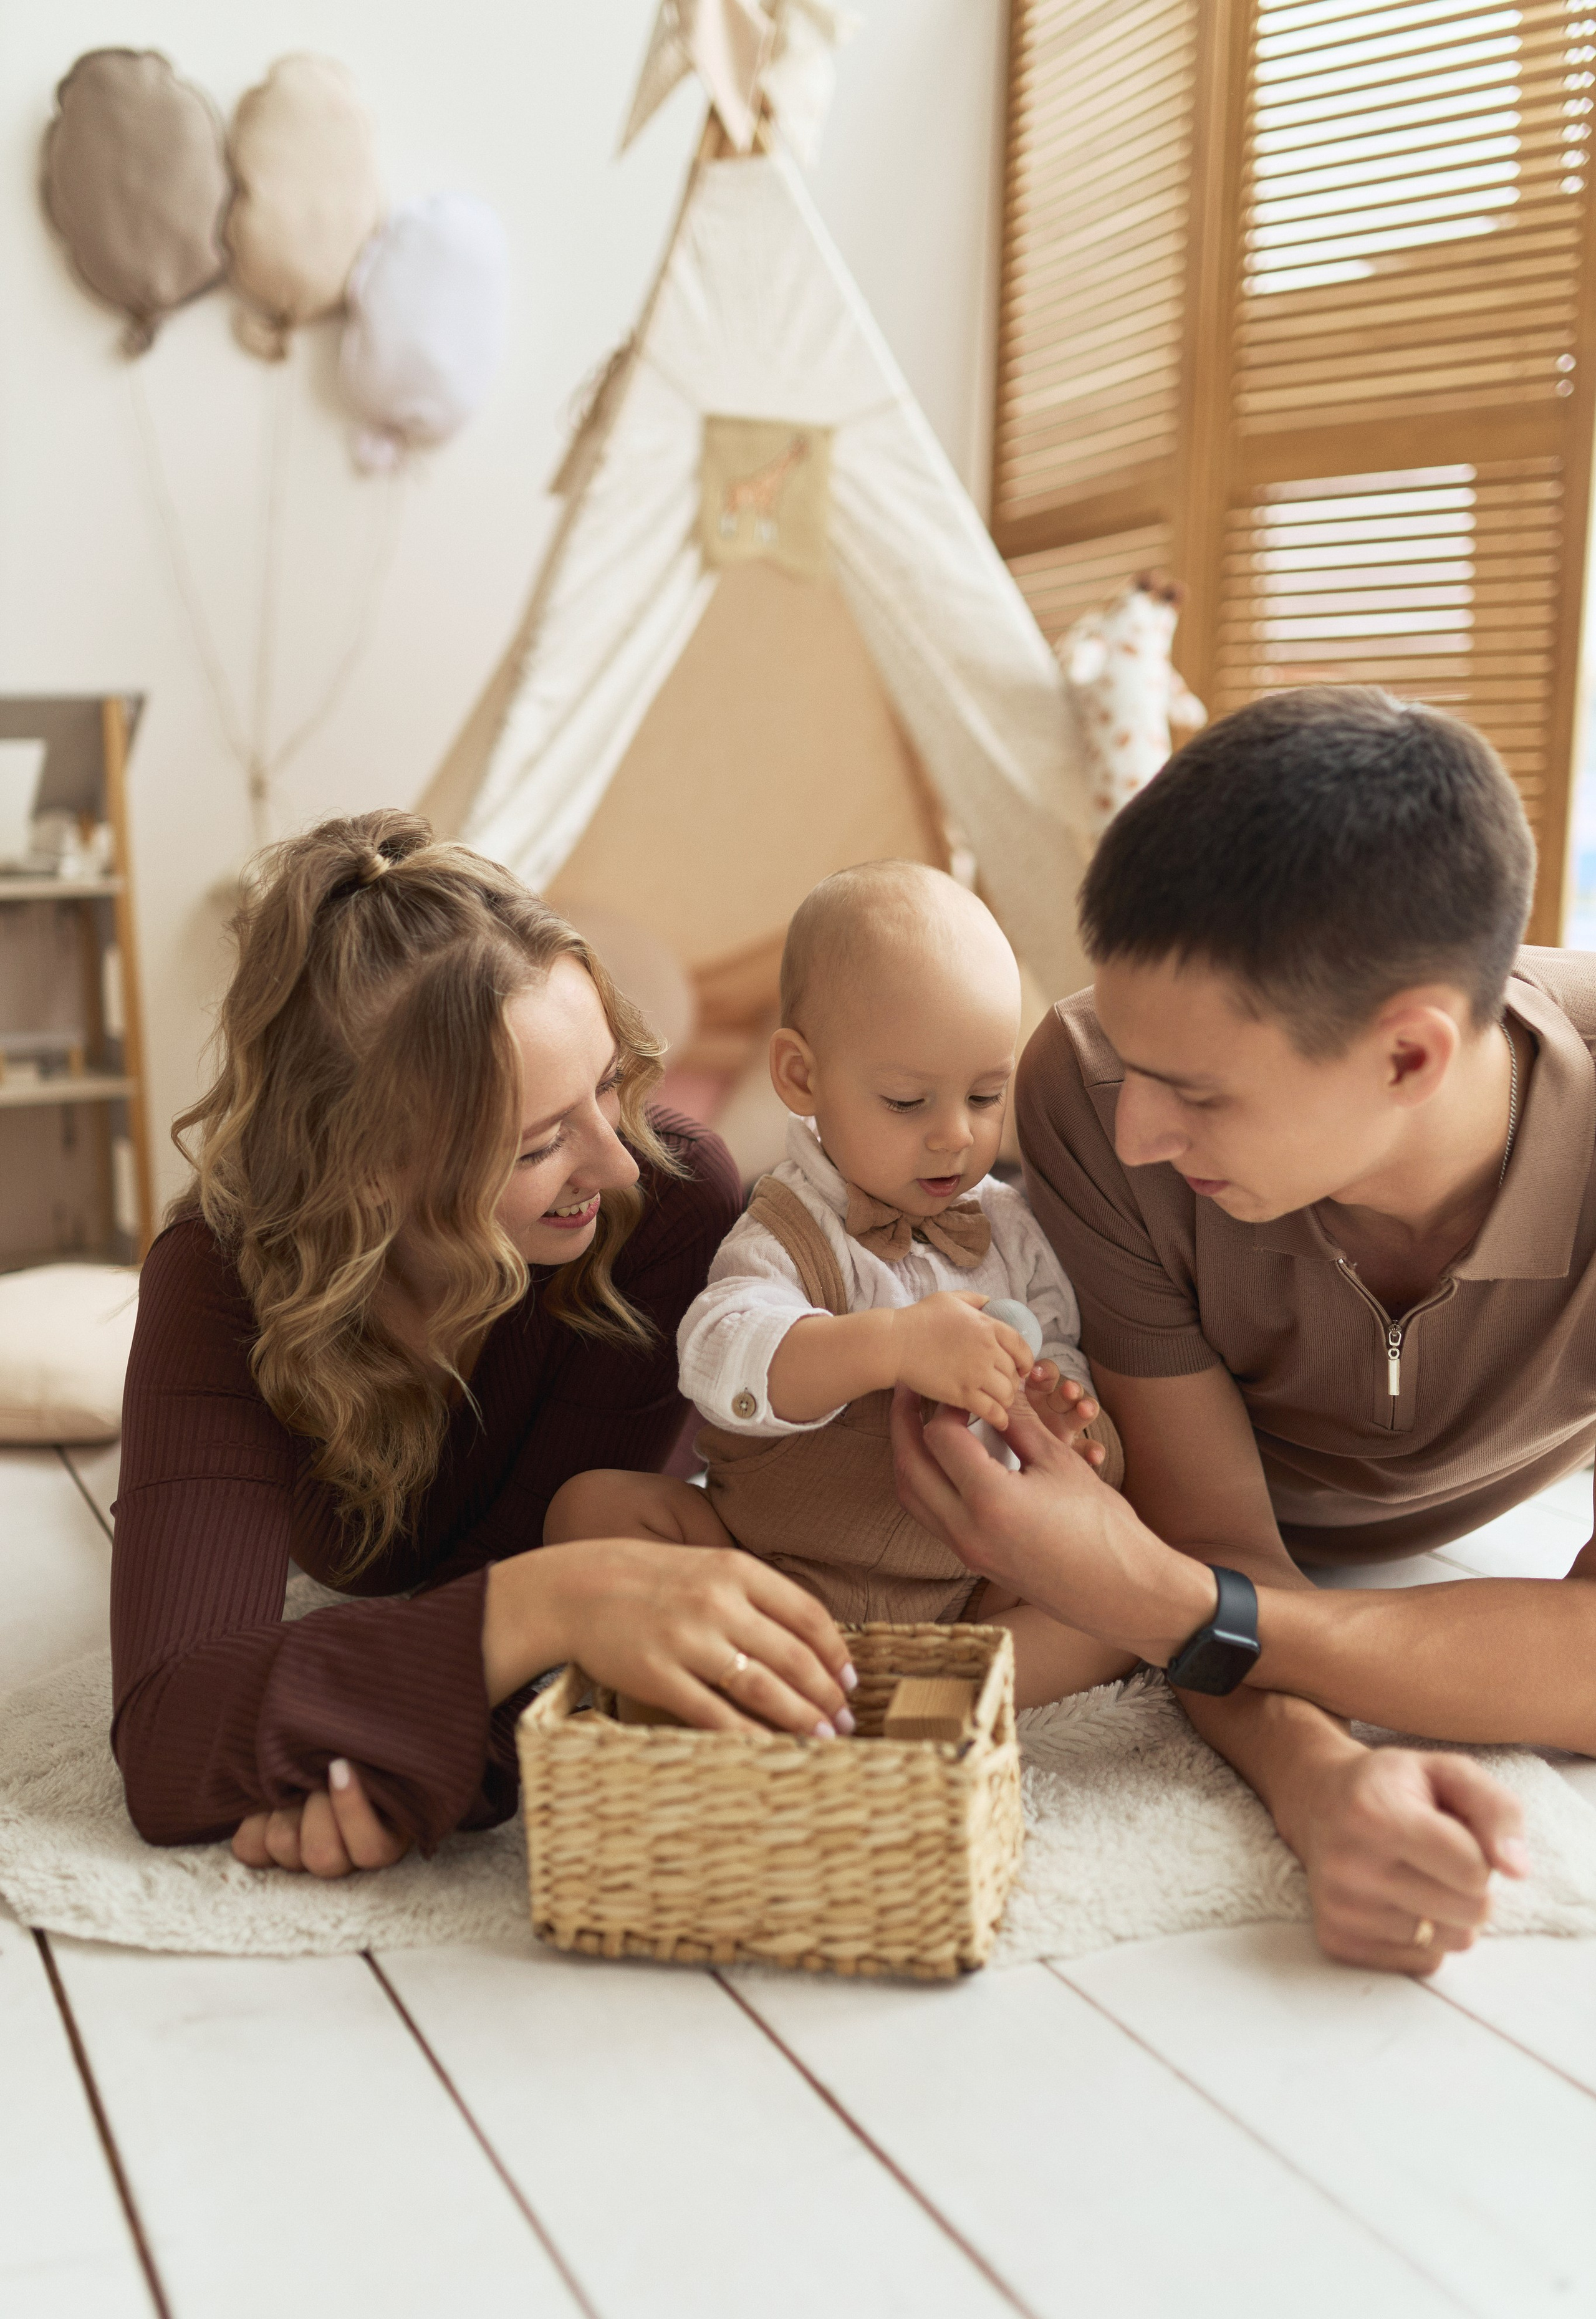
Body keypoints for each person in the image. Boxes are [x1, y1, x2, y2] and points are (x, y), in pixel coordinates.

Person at [890, 686, 1596, 1976]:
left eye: (1196, 1095)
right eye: (1135, 1061)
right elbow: (1215, 1545)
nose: (1132, 1138)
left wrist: (1161, 1602)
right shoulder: (1087, 1080)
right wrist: (1316, 1779)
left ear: (1406, 1057)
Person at [111, 813, 855, 1880]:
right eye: (541, 1143)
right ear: (368, 1167)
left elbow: (520, 1601)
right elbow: (170, 1730)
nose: (619, 1163)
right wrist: (565, 1599)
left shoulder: (667, 1211)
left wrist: (386, 1762)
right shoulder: (218, 1277)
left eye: (608, 1085)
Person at [545, 863, 1120, 1702]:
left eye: (987, 1095)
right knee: (589, 1512)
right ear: (803, 1077)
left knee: (1117, 1597)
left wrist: (1057, 1403)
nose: (956, 1136)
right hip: (763, 1574)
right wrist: (894, 1344)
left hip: (966, 1585)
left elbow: (1058, 1340)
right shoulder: (788, 1224)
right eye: (906, 1101)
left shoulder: (1011, 1229)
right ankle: (757, 1668)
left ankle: (921, 1691)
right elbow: (719, 1358)